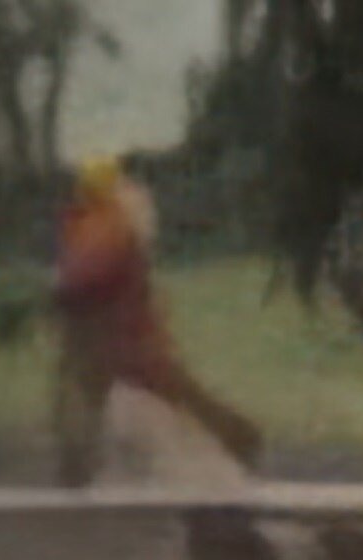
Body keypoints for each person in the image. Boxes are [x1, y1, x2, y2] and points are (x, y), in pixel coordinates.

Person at [52, 155, 262, 487]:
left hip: (120, 409)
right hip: (136, 406)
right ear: (121, 195)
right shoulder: (111, 246)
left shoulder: (90, 251)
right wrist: (218, 417)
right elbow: (139, 361)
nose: (147, 200)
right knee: (218, 492)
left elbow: (81, 363)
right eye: (135, 189)